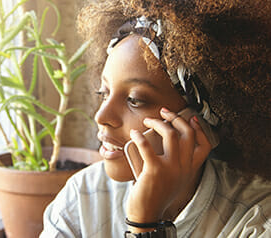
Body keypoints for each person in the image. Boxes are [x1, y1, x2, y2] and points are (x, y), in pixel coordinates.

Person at [40, 0, 271, 237]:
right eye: (104, 93)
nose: (102, 116)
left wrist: (144, 224)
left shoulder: (256, 220)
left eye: (135, 100)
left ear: (200, 121)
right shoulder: (82, 198)